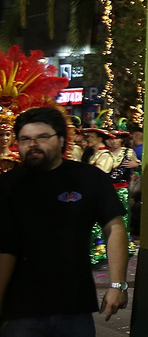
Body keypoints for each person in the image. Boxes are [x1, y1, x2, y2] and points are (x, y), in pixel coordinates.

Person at [0, 106, 129, 334]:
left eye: (42, 137)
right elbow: (4, 249)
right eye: (25, 139)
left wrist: (117, 284)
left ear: (60, 140)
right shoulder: (7, 186)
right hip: (20, 309)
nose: (33, 144)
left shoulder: (89, 179)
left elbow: (114, 227)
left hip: (73, 306)